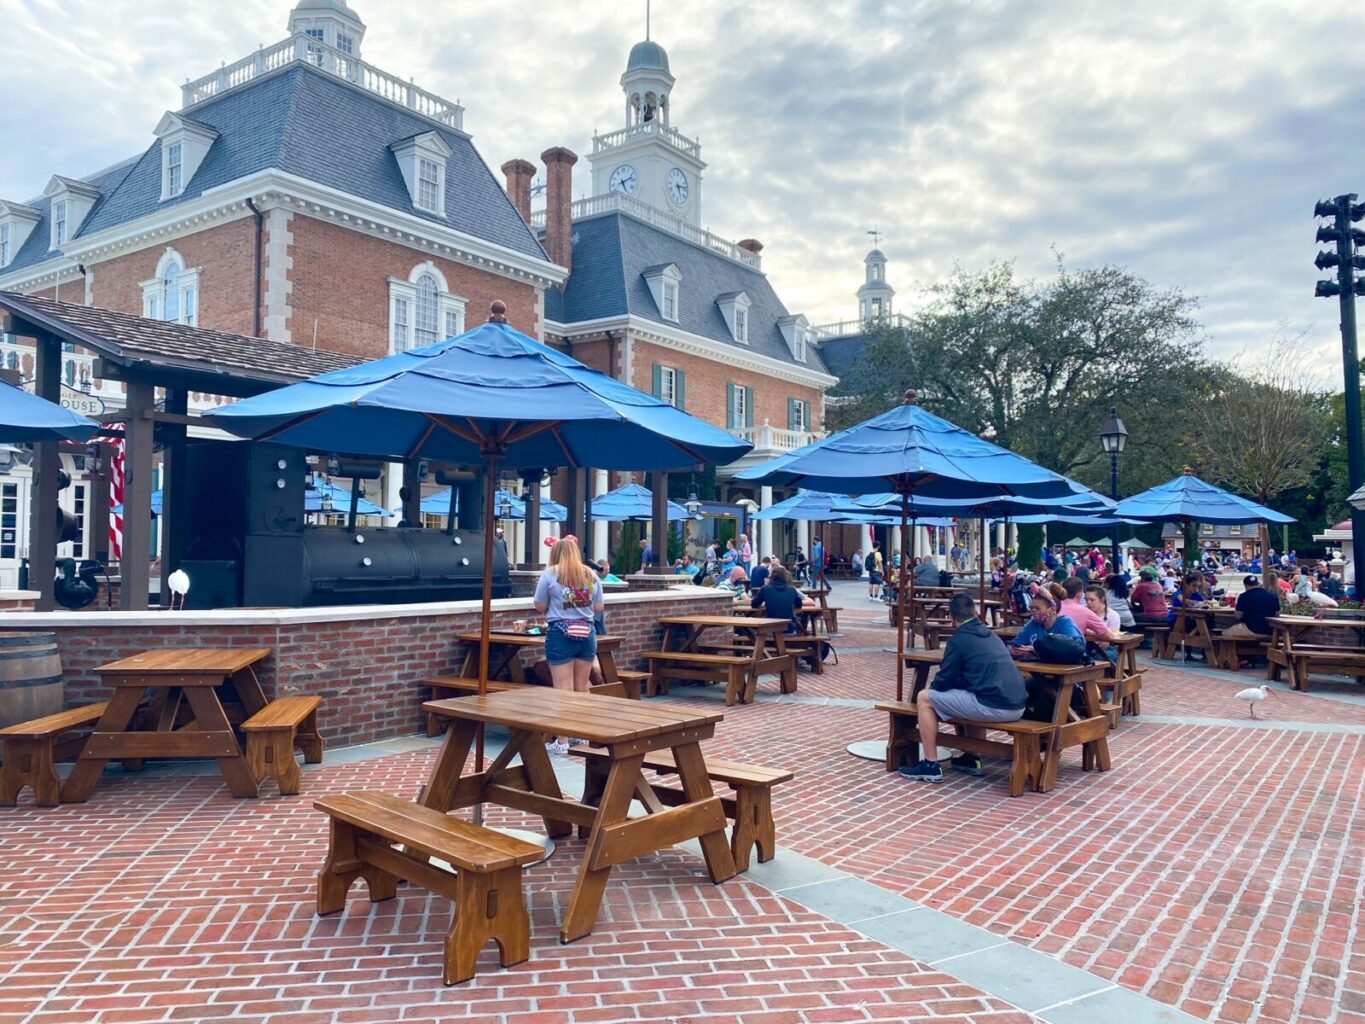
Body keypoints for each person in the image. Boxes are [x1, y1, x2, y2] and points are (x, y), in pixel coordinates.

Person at [900, 594, 1028, 783]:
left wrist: (937, 693)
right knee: (970, 694)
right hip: (1018, 705)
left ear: (952, 619)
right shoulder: (991, 634)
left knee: (925, 698)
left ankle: (930, 765)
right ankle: (971, 758)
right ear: (976, 614)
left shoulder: (959, 639)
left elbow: (945, 680)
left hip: (995, 706)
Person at [533, 537, 606, 755]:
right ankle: (580, 733)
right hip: (587, 632)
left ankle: (562, 741)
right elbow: (599, 607)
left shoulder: (550, 574)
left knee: (562, 690)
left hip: (560, 634)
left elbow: (540, 605)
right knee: (582, 688)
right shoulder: (591, 574)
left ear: (555, 554)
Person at [1009, 584, 1086, 660]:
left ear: (1052, 611)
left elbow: (1076, 647)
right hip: (1040, 668)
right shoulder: (1033, 623)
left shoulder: (1065, 623)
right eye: (1031, 608)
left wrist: (1037, 651)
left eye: (1037, 608)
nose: (1033, 611)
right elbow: (1016, 646)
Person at [1223, 574, 1280, 645]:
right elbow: (1277, 614)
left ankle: (1233, 654)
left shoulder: (1244, 596)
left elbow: (1238, 616)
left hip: (1250, 629)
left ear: (1246, 586)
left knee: (1224, 633)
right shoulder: (1272, 595)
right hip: (1270, 630)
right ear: (1258, 584)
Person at [1060, 576, 1116, 643]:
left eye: (1092, 600)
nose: (1089, 602)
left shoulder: (1053, 606)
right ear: (1080, 594)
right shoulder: (1085, 612)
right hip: (1073, 651)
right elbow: (1108, 635)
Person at [750, 564, 804, 634]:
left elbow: (754, 604)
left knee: (754, 630)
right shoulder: (792, 589)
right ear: (785, 577)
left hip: (771, 630)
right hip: (789, 630)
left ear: (772, 576)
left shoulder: (765, 589)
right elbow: (799, 605)